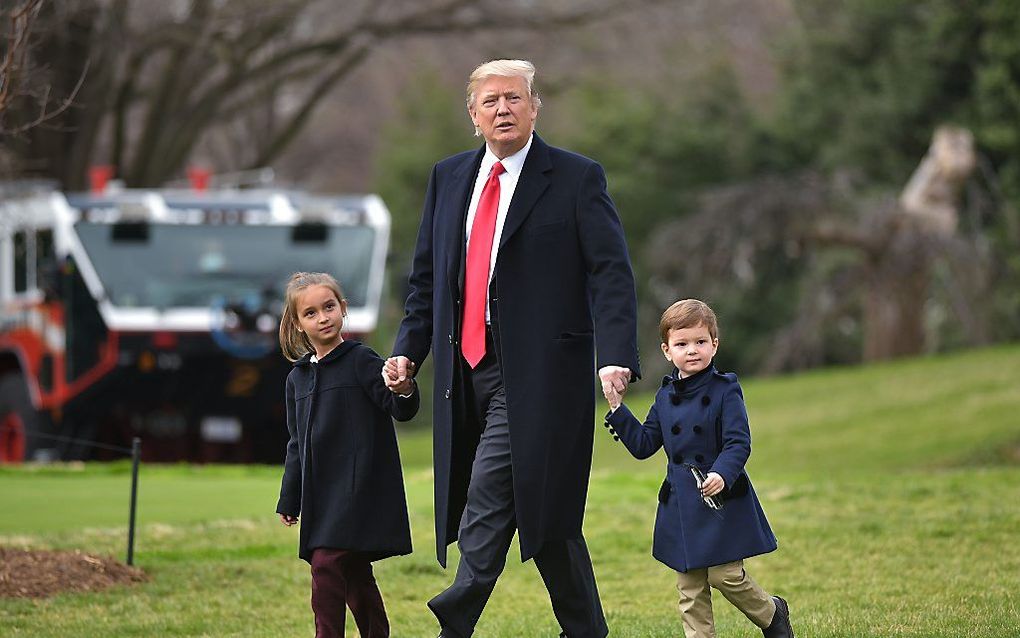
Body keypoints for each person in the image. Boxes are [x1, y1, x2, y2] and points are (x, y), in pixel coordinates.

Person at [382, 59, 640, 637]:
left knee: (490, 490)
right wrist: (407, 352)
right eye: (491, 101)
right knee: (547, 525)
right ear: (473, 116)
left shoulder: (576, 177)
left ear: (534, 108)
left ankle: (456, 615)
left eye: (515, 99)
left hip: (540, 375)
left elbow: (610, 273)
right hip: (461, 371)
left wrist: (616, 353)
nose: (504, 109)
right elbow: (427, 281)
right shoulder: (448, 178)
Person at [602, 299, 794, 638]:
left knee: (725, 575)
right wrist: (618, 409)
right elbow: (645, 445)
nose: (692, 350)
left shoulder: (726, 389)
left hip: (720, 499)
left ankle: (772, 613)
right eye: (682, 344)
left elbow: (738, 442)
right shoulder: (664, 396)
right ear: (666, 350)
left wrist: (721, 473)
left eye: (701, 342)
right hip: (681, 504)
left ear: (714, 344)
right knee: (690, 588)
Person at [276, 272, 418, 638]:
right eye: (310, 313)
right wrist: (290, 496)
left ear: (343, 309)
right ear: (297, 324)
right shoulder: (298, 379)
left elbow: (398, 407)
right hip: (322, 495)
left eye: (329, 307)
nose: (322, 317)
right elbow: (296, 444)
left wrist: (403, 388)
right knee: (353, 571)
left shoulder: (361, 360)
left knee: (326, 563)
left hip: (359, 489)